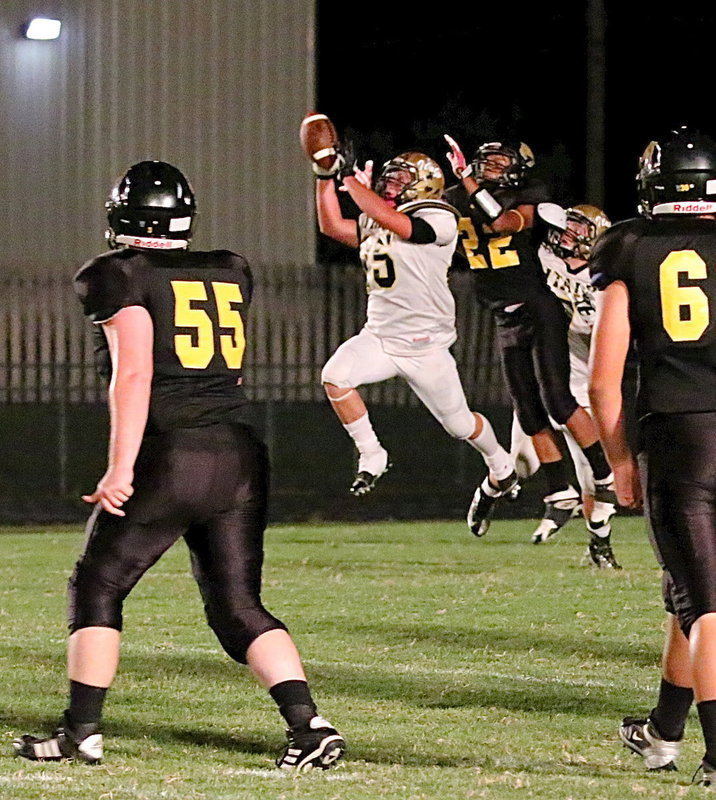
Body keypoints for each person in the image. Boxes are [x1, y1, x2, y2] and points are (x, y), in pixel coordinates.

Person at [13, 161, 345, 773]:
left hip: (172, 452)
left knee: (98, 585)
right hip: (239, 451)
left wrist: (120, 467)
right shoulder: (230, 268)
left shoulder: (117, 274)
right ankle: (308, 725)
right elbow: (233, 371)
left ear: (121, 214)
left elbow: (134, 374)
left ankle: (80, 731)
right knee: (237, 605)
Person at [589, 126, 716, 785]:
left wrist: (618, 460)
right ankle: (664, 731)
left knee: (706, 602)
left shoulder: (631, 246)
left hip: (680, 435)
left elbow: (603, 381)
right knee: (690, 592)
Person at [314, 150, 516, 499]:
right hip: (379, 337)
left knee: (460, 425)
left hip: (427, 346)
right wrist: (323, 175)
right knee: (335, 377)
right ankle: (372, 453)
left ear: (426, 185)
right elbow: (331, 225)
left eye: (402, 177)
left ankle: (500, 463)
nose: (392, 181)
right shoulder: (379, 216)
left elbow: (407, 228)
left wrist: (348, 179)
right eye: (389, 176)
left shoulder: (439, 216)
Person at [443, 135, 617, 540]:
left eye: (501, 163)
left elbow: (501, 223)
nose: (490, 168)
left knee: (558, 400)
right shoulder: (455, 196)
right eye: (487, 162)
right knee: (527, 409)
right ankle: (559, 490)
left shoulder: (529, 195)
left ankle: (603, 475)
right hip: (503, 314)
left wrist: (470, 183)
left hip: (538, 308)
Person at [509, 204, 620, 567]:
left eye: (578, 227)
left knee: (594, 479)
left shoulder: (607, 277)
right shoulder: (544, 258)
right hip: (549, 376)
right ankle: (556, 496)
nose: (568, 232)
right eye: (567, 225)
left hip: (586, 385)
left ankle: (599, 546)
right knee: (522, 465)